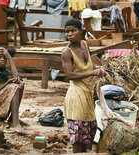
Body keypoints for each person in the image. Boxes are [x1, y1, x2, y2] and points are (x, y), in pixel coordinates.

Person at [61, 18, 106, 153]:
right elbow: (69, 75)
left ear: (81, 31)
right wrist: (93, 72)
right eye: (67, 31)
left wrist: (98, 70)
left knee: (88, 133)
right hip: (76, 96)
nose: (69, 34)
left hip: (87, 93)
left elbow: (90, 66)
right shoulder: (67, 52)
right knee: (78, 136)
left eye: (73, 31)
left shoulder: (85, 45)